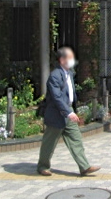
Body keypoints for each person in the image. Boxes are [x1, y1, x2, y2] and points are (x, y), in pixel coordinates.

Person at [37, 47, 100, 177]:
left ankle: (84, 166)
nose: (73, 60)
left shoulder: (69, 73)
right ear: (62, 60)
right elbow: (57, 97)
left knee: (76, 139)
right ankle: (43, 166)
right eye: (70, 57)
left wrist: (72, 110)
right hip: (56, 113)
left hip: (68, 110)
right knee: (49, 142)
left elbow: (70, 94)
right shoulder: (55, 76)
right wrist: (68, 112)